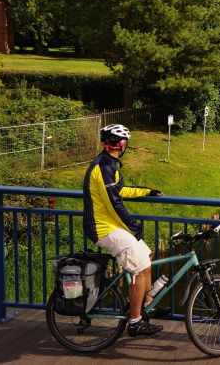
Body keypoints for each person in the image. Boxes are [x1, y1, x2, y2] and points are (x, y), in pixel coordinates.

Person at [82, 124, 164, 337]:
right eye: (125, 141)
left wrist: (145, 191)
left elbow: (119, 191)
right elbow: (113, 203)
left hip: (111, 224)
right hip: (103, 228)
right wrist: (133, 225)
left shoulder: (109, 164)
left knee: (146, 255)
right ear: (121, 144)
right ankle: (135, 322)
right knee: (139, 268)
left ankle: (144, 304)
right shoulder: (104, 167)